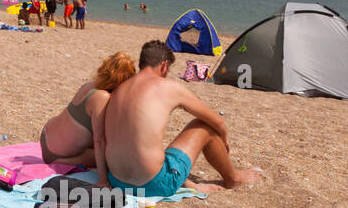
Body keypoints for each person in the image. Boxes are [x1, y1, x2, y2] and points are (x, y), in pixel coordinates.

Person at [101, 40, 262, 196]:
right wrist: (224, 139)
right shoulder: (168, 87)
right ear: (164, 65)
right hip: (151, 185)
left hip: (116, 181)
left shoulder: (120, 89)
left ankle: (185, 181)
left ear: (141, 64)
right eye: (168, 71)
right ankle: (233, 178)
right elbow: (217, 121)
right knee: (204, 126)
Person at [39, 52, 135, 167]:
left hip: (46, 136)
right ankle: (61, 163)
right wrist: (103, 179)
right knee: (111, 157)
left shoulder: (89, 85)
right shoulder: (102, 97)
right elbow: (99, 142)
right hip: (57, 156)